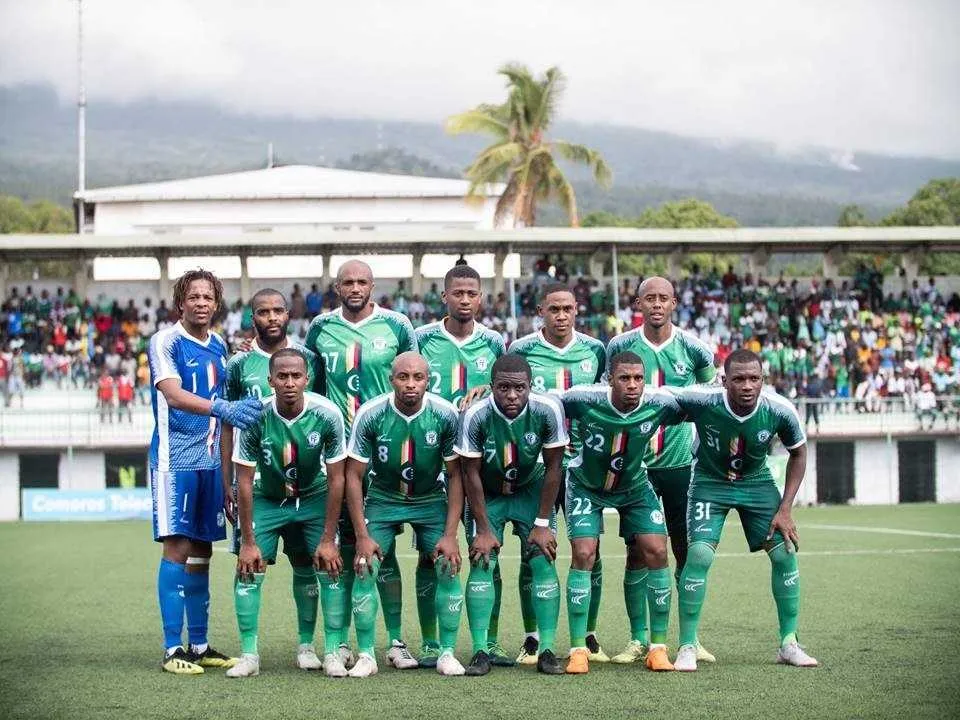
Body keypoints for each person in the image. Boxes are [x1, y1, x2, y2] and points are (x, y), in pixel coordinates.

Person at [671, 349, 818, 672]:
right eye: (739, 379)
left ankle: (789, 643)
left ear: (763, 380)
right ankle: (687, 646)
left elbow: (799, 453)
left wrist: (786, 508)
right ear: (724, 381)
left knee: (784, 555)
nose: (747, 385)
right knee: (698, 556)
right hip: (709, 481)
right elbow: (659, 402)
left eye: (754, 379)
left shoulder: (779, 409)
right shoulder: (701, 401)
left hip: (757, 482)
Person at [148, 269, 262, 675]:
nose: (200, 303)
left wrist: (230, 474)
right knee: (177, 548)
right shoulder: (166, 341)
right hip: (173, 463)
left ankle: (198, 644)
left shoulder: (218, 345)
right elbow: (174, 395)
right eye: (193, 296)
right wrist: (220, 408)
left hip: (211, 464)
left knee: (202, 554)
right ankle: (171, 648)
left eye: (207, 297)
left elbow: (229, 396)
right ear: (181, 302)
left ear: (216, 304)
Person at [304, 259, 417, 668]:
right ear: (336, 287)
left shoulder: (398, 325)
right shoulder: (320, 328)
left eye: (362, 281)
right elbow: (308, 385)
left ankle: (396, 641)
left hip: (382, 454)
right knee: (341, 548)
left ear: (373, 285)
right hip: (336, 458)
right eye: (347, 282)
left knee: (381, 550)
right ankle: (342, 643)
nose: (355, 287)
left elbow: (414, 377)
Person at [604, 276, 717, 664]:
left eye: (663, 298)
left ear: (674, 303)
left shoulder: (695, 350)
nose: (656, 304)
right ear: (638, 303)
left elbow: (708, 403)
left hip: (680, 466)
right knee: (637, 550)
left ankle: (690, 638)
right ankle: (638, 639)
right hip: (636, 470)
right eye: (649, 298)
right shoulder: (619, 347)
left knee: (686, 551)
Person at [220, 288, 332, 672]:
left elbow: (319, 414)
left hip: (308, 486)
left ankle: (307, 647)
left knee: (307, 561)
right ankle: (249, 653)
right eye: (262, 312)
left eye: (277, 311)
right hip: (261, 484)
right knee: (248, 565)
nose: (271, 318)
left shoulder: (310, 359)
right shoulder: (238, 364)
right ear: (252, 317)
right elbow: (228, 424)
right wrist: (227, 483)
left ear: (288, 314)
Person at [557, 352, 683, 673]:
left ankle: (657, 648)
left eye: (638, 378)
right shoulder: (584, 398)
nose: (632, 385)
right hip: (586, 485)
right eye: (624, 378)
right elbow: (542, 401)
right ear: (610, 379)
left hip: (635, 487)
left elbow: (700, 406)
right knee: (584, 553)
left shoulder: (661, 403)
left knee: (656, 550)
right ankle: (578, 650)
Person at [226, 348, 348, 678]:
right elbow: (245, 481)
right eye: (282, 376)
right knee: (248, 567)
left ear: (307, 379)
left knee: (327, 564)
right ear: (270, 381)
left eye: (296, 376)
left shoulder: (327, 414)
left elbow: (337, 477)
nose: (290, 383)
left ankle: (325, 650)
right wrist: (248, 541)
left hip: (313, 496)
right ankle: (249, 655)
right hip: (267, 498)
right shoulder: (255, 417)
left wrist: (328, 538)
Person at [345, 352, 465, 677]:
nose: (410, 385)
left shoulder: (445, 415)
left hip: (429, 498)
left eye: (418, 378)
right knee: (364, 566)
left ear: (429, 380)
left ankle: (446, 652)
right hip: (383, 497)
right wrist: (362, 536)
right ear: (391, 379)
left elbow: (456, 476)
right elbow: (353, 476)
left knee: (446, 564)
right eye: (403, 377)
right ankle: (368, 654)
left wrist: (451, 535)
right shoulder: (370, 415)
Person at [508, 284, 606, 664]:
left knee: (591, 553)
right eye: (554, 309)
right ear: (541, 311)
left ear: (576, 310)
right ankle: (532, 637)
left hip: (583, 466)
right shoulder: (521, 350)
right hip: (536, 466)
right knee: (532, 550)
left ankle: (590, 635)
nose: (561, 315)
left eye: (567, 308)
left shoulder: (595, 350)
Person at [413, 265, 505, 665]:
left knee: (489, 550)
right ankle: (432, 641)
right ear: (444, 297)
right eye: (458, 293)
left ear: (481, 298)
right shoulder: (422, 339)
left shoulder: (495, 342)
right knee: (428, 552)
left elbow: (508, 386)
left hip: (481, 460)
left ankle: (491, 639)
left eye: (472, 293)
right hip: (435, 459)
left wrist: (489, 388)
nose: (465, 299)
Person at [457, 354, 569, 677]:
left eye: (519, 388)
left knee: (541, 557)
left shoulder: (548, 410)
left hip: (529, 489)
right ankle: (480, 650)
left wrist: (543, 523)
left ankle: (546, 649)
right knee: (482, 559)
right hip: (488, 493)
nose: (511, 395)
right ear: (491, 386)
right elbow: (469, 473)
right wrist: (482, 528)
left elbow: (553, 467)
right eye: (503, 388)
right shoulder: (474, 415)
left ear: (530, 387)